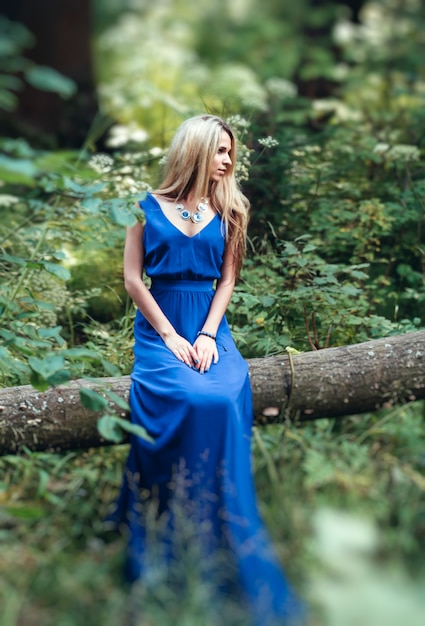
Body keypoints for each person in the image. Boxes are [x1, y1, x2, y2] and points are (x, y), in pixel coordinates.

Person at [108, 114, 305, 625]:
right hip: (159, 330)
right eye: (219, 150)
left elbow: (226, 282)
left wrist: (206, 335)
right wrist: (172, 335)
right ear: (194, 151)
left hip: (211, 331)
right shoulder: (144, 207)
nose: (228, 160)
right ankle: (163, 520)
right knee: (188, 399)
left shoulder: (232, 208)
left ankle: (220, 526)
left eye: (229, 152)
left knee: (217, 398)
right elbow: (133, 280)